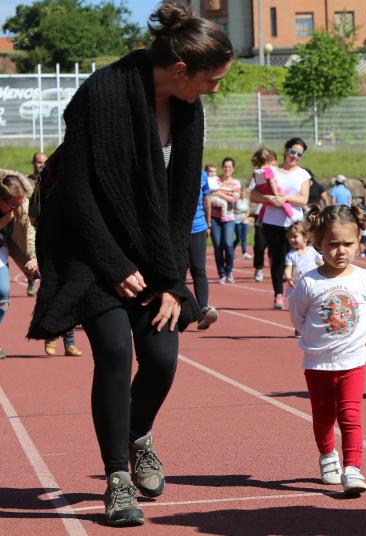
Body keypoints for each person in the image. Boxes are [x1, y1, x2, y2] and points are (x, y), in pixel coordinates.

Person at [27, 2, 232, 526]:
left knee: (162, 358)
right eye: (212, 80)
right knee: (116, 353)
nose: (214, 90)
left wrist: (169, 281)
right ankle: (117, 479)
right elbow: (78, 191)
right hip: (87, 251)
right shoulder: (103, 92)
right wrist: (114, 265)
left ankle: (138, 435)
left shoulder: (188, 108)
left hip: (151, 255)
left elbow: (182, 194)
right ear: (182, 70)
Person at [289, 204, 366, 495]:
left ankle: (353, 469)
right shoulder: (309, 282)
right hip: (318, 364)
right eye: (333, 244)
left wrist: (360, 336)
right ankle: (327, 457)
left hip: (353, 362)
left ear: (358, 242)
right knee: (323, 417)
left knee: (351, 416)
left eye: (348, 243)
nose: (341, 251)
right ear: (318, 244)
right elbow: (297, 317)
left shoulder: (364, 279)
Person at [249, 137, 311, 309]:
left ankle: (299, 294)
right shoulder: (271, 170)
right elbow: (254, 195)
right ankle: (278, 295)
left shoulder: (303, 174)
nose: (295, 156)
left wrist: (285, 198)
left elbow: (303, 199)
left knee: (298, 260)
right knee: (277, 260)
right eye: (293, 152)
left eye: (299, 154)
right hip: (272, 222)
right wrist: (268, 198)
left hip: (295, 223)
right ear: (286, 150)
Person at [0, 174, 36, 360]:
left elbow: (29, 230)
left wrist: (33, 258)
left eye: (20, 204)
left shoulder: (20, 208)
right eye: (13, 205)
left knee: (3, 292)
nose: (17, 208)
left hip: (2, 250)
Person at [191, 169, 217, 331]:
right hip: (176, 230)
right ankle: (185, 312)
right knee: (178, 274)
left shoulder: (201, 174)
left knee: (199, 269)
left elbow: (206, 199)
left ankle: (204, 311)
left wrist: (208, 223)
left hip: (198, 227)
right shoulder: (169, 167)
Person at [209, 157, 240, 284]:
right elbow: (209, 192)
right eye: (225, 166)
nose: (227, 169)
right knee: (217, 246)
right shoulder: (215, 180)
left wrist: (218, 193)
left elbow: (234, 200)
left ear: (233, 169)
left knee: (228, 244)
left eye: (230, 167)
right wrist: (225, 195)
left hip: (229, 218)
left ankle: (229, 270)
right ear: (222, 168)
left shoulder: (236, 183)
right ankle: (221, 273)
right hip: (214, 217)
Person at [26, 152, 45, 296]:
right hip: (30, 223)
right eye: (39, 162)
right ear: (33, 163)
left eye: (44, 162)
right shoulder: (26, 181)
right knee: (31, 252)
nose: (41, 165)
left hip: (46, 221)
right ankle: (32, 279)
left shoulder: (49, 180)